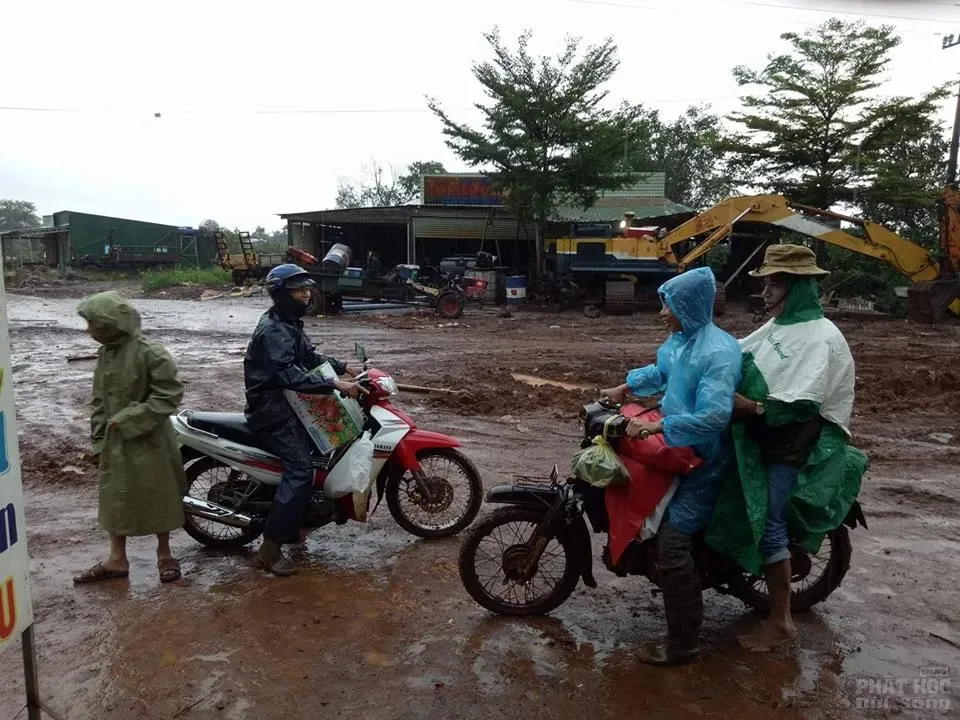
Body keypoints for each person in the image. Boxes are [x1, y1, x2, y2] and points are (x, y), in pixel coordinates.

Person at [708, 244, 859, 652]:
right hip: (765, 428)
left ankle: (782, 622)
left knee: (769, 520)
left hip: (796, 440)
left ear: (801, 287)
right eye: (767, 282)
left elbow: (805, 402)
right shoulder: (778, 326)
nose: (767, 292)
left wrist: (753, 405)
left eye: (777, 283)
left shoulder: (821, 337)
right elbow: (736, 352)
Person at [601, 267, 742, 665]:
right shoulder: (681, 340)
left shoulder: (718, 351)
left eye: (670, 304)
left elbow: (715, 415)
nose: (663, 312)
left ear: (691, 306)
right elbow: (661, 370)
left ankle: (684, 644)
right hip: (674, 445)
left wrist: (664, 424)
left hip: (705, 461)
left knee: (673, 545)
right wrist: (624, 388)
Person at [243, 263, 363, 576]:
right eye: (299, 290)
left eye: (307, 289)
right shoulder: (273, 330)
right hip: (272, 412)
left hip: (287, 406)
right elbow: (288, 374)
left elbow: (308, 357)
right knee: (301, 470)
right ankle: (268, 551)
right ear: (281, 294)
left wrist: (343, 366)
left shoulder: (288, 322)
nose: (306, 294)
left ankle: (296, 521)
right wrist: (335, 384)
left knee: (322, 449)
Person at [73, 292, 187, 585]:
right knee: (115, 498)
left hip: (150, 439)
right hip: (115, 441)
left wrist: (128, 419)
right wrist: (98, 440)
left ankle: (165, 554)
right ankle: (116, 558)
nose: (90, 332)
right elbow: (99, 400)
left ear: (112, 323)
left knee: (158, 494)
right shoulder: (106, 354)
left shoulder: (152, 353)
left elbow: (168, 396)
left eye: (94, 325)